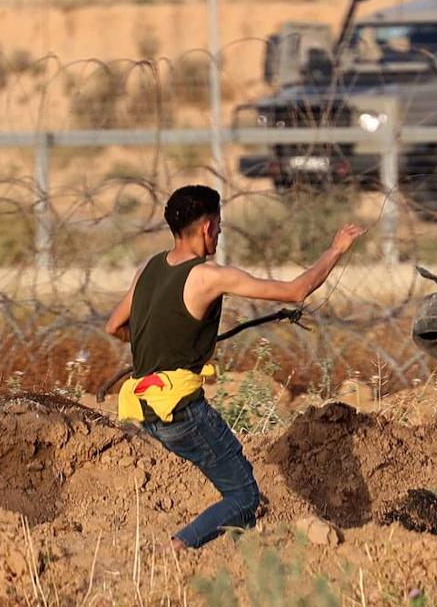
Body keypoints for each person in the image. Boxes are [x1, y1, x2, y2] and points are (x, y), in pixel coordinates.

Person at [105, 184, 363, 549]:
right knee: (244, 499)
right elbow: (295, 291)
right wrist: (336, 250)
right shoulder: (209, 275)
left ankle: (240, 556)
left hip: (148, 409)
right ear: (208, 227)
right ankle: (176, 550)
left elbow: (113, 326)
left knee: (237, 497)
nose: (221, 232)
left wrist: (162, 342)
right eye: (220, 225)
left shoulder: (148, 269)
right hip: (183, 412)